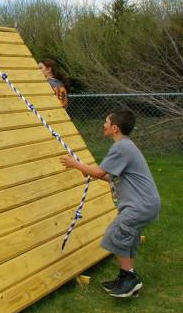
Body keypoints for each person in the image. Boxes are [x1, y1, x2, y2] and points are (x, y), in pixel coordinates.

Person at [60, 108, 160, 298]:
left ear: (114, 128)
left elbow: (99, 172)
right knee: (127, 239)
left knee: (115, 235)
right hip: (145, 203)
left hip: (140, 205)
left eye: (106, 122)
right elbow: (110, 177)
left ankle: (131, 279)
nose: (103, 125)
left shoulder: (121, 147)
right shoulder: (126, 146)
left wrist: (75, 163)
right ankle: (127, 280)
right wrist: (87, 170)